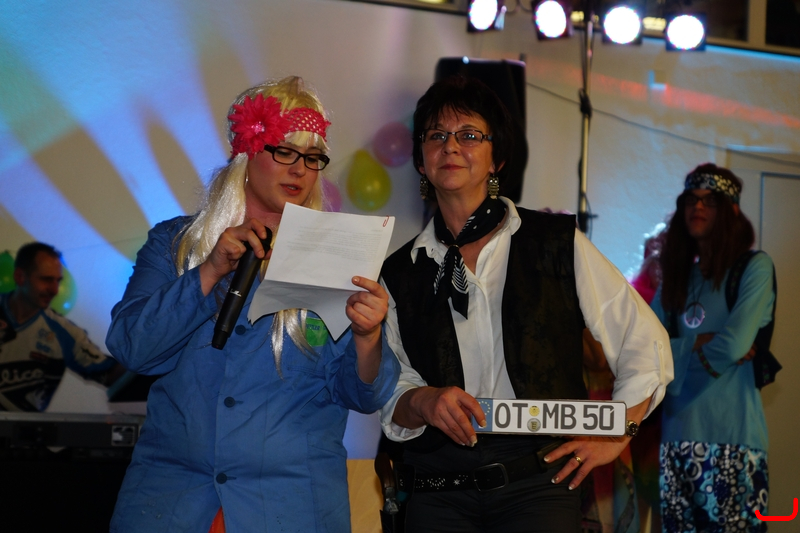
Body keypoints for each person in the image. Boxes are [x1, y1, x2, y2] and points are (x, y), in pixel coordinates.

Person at [378, 75, 673, 532]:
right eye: (436, 135)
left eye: (469, 135)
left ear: (497, 158)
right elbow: (388, 387)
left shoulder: (555, 243)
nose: (450, 146)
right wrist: (423, 400)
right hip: (436, 492)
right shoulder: (398, 270)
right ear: (420, 159)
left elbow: (645, 343)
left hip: (539, 484)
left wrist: (619, 432)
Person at [106, 76, 400, 533]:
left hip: (290, 510)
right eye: (285, 151)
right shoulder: (175, 244)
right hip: (173, 505)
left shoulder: (339, 257)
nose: (300, 170)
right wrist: (209, 272)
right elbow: (132, 348)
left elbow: (364, 395)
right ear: (245, 152)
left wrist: (367, 338)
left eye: (313, 158)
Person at [650, 164, 774, 532]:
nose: (698, 207)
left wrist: (676, 355)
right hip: (675, 441)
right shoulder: (676, 277)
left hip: (733, 441)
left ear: (732, 211)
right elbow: (644, 351)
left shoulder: (754, 268)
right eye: (691, 199)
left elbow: (733, 346)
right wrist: (700, 342)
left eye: (710, 200)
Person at [0, 242, 123, 411]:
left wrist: (149, 356)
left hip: (23, 427)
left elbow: (110, 374)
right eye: (46, 279)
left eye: (58, 281)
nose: (55, 290)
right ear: (20, 277)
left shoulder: (63, 332)